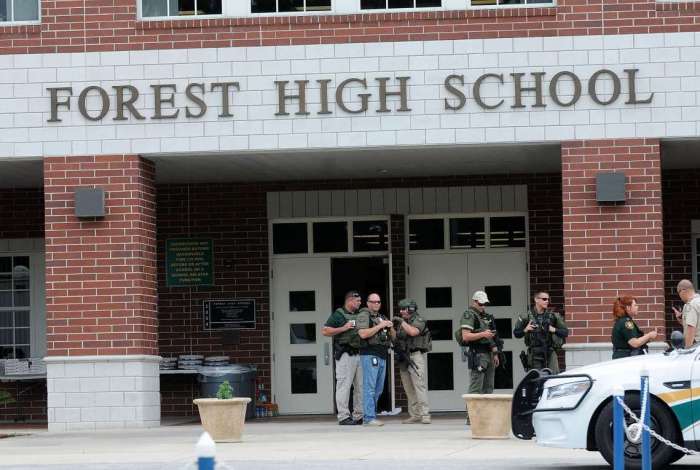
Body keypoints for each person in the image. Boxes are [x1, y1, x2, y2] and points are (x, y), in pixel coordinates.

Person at [321, 290, 364, 425]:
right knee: (344, 386)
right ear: (350, 300)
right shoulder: (339, 315)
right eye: (357, 301)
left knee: (360, 387)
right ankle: (344, 416)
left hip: (359, 353)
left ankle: (358, 415)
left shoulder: (360, 315)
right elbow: (325, 330)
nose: (359, 303)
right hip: (345, 355)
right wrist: (343, 328)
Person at [356, 293, 394, 427]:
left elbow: (392, 337)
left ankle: (371, 414)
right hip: (369, 354)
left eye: (378, 302)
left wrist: (390, 326)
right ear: (367, 303)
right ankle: (368, 417)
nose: (376, 304)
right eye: (373, 302)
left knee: (378, 389)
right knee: (370, 388)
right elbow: (363, 334)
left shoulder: (381, 317)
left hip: (382, 354)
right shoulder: (363, 315)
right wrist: (380, 326)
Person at [394, 298, 432, 424]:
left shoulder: (419, 320)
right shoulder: (403, 322)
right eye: (400, 309)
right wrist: (388, 326)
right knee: (408, 388)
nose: (401, 311)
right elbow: (396, 337)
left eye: (403, 309)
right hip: (404, 357)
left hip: (415, 356)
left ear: (411, 309)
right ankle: (415, 414)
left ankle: (425, 414)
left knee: (419, 386)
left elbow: (413, 332)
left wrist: (401, 322)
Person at [513, 291, 568, 373]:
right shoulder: (526, 316)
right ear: (536, 300)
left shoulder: (553, 315)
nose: (547, 301)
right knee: (536, 378)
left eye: (548, 299)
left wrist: (554, 329)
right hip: (535, 353)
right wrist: (526, 329)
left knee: (552, 377)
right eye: (544, 299)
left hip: (550, 352)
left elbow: (565, 332)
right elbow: (516, 333)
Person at [461, 291, 501, 395]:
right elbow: (465, 336)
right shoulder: (469, 315)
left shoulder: (485, 317)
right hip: (478, 354)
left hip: (490, 354)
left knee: (489, 388)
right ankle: (471, 412)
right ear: (474, 302)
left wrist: (495, 354)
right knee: (476, 388)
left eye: (485, 304)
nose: (483, 306)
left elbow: (491, 337)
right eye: (480, 304)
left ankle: (486, 412)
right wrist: (483, 334)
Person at [673, 279, 700, 348]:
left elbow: (691, 328)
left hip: (696, 347)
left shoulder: (691, 305)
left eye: (678, 292)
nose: (680, 296)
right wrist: (681, 320)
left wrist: (688, 349)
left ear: (683, 291)